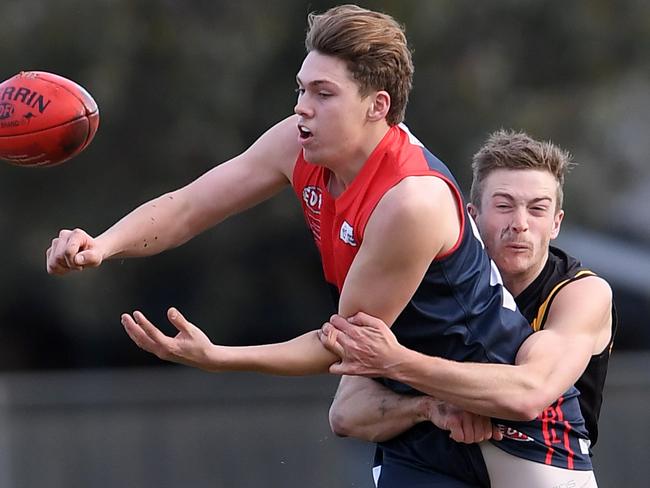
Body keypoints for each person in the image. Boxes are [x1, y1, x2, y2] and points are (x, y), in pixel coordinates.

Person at [46, 5, 593, 487]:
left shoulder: (411, 201)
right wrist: (103, 244)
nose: (303, 107)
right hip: (416, 411)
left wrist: (219, 358)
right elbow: (191, 206)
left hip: (513, 423)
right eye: (302, 88)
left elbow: (341, 344)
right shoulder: (297, 142)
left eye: (323, 94)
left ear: (377, 106)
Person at [321, 130, 616, 486]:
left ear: (557, 223)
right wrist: (429, 407)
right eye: (504, 205)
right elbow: (346, 413)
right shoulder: (418, 281)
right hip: (432, 463)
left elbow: (529, 393)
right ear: (472, 215)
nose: (520, 223)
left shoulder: (581, 293)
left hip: (540, 464)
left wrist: (396, 362)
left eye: (537, 209)